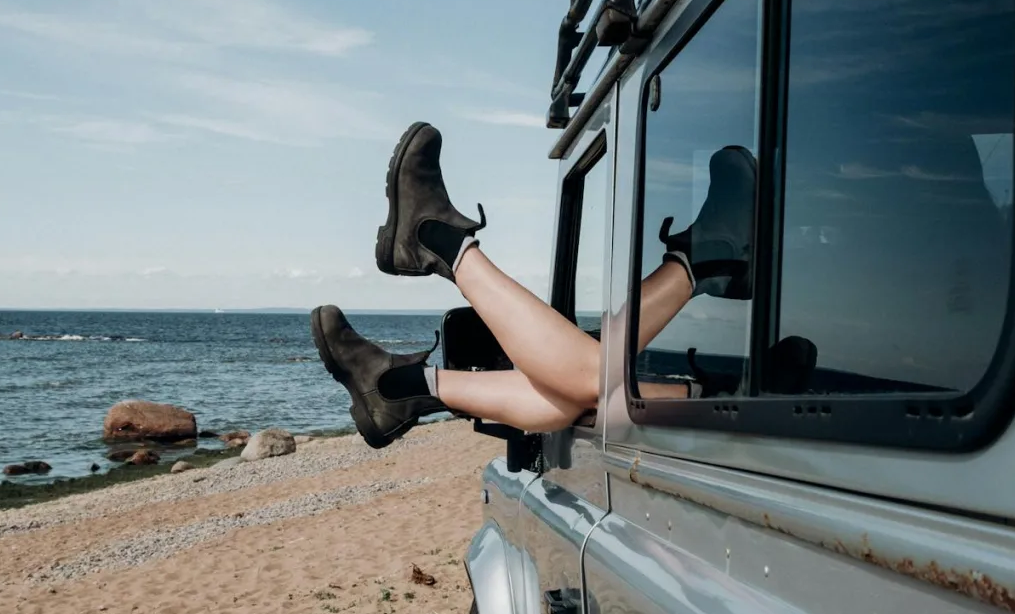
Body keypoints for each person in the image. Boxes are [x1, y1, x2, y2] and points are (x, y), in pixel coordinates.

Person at [310, 122, 760, 448]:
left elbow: (590, 378)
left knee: (586, 379)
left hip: (742, 411)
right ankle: (402, 382)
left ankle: (439, 253)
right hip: (737, 406)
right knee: (578, 388)